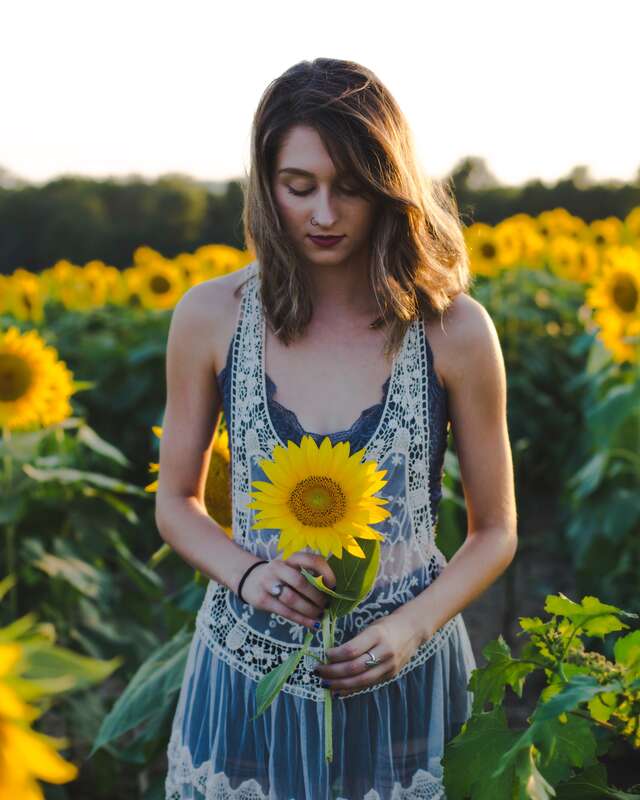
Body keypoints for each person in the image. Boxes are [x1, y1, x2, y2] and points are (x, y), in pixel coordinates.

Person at [157, 57, 518, 800]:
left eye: (350, 188)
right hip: (245, 678)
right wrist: (249, 573)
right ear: (266, 185)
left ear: (390, 187)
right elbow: (176, 505)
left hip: (405, 681)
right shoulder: (209, 318)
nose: (324, 214)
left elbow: (497, 531)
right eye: (300, 187)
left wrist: (412, 627)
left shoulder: (452, 331)